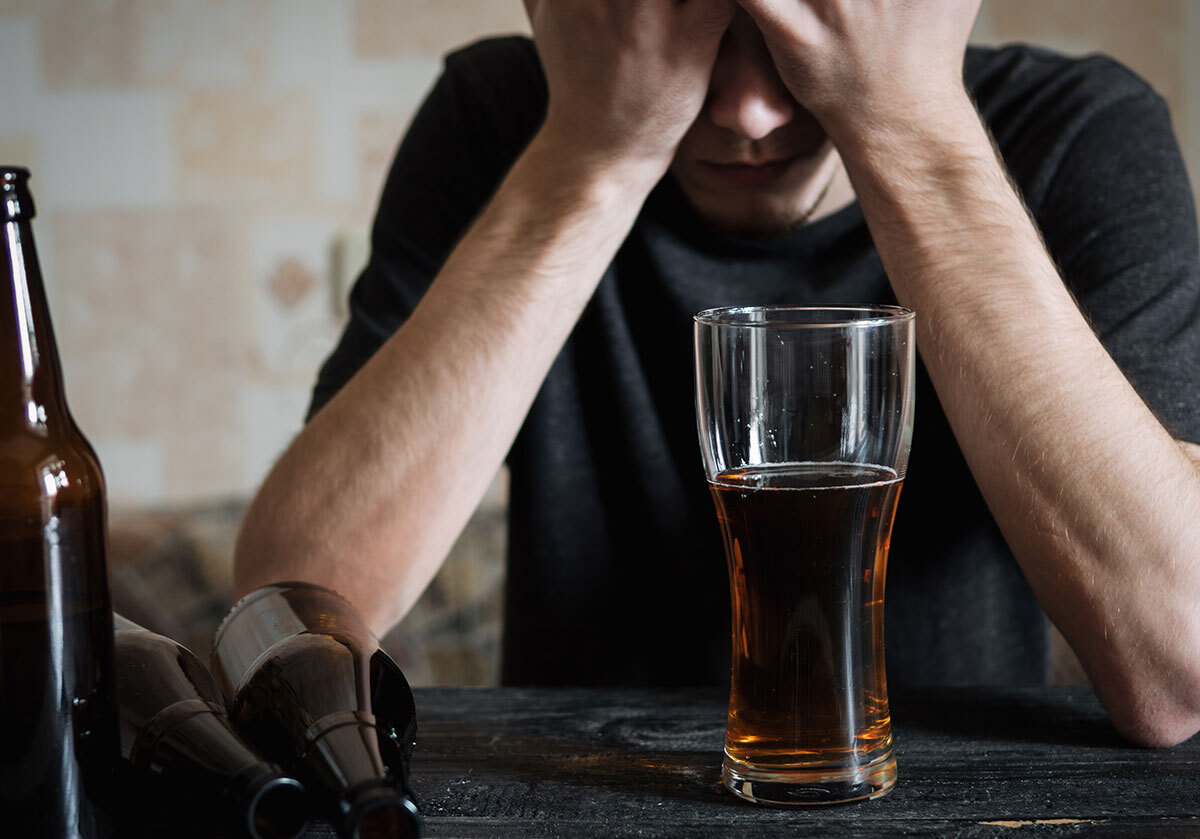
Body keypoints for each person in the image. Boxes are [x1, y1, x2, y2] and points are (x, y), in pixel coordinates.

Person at [233, 1, 1200, 746]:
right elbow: (288, 606)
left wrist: (906, 119)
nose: (746, 112)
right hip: (572, 810)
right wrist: (594, 150)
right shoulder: (504, 120)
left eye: (800, 26)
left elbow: (1179, 664)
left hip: (961, 822)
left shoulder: (1078, 130)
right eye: (685, 23)